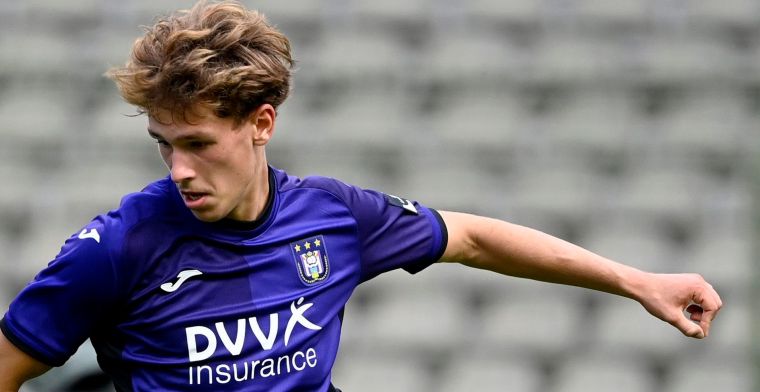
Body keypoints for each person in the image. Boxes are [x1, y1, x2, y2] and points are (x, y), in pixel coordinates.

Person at [0, 1, 722, 391]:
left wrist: (637, 281)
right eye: (164, 142)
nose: (178, 168)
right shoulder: (119, 246)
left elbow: (469, 237)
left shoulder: (333, 216)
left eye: (198, 144)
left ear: (260, 124)